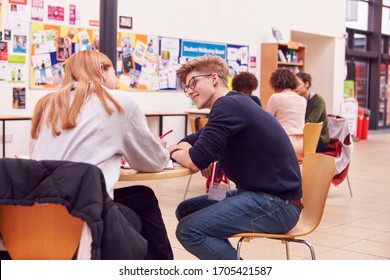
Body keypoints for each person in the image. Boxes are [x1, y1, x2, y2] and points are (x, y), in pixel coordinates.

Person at [29, 50, 173, 260]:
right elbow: (153, 162)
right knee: (145, 200)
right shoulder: (118, 101)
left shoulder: (45, 104)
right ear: (102, 71)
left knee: (140, 197)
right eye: (115, 73)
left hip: (34, 215)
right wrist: (160, 149)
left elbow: (36, 159)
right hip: (86, 218)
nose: (117, 80)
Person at [169, 55, 302, 260]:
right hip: (252, 194)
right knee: (186, 210)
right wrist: (185, 150)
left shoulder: (228, 106)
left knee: (189, 230)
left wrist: (171, 150)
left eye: (193, 83)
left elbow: (195, 161)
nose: (190, 91)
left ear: (214, 78)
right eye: (187, 88)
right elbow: (190, 140)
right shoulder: (230, 105)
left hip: (276, 204)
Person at [266, 68, 306, 161]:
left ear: (275, 83)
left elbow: (266, 123)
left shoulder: (275, 98)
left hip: (285, 144)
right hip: (303, 145)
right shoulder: (302, 100)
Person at [295, 72, 330, 152]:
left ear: (306, 84)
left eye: (298, 85)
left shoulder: (318, 101)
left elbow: (310, 123)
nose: (295, 88)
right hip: (303, 136)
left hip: (319, 140)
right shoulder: (297, 100)